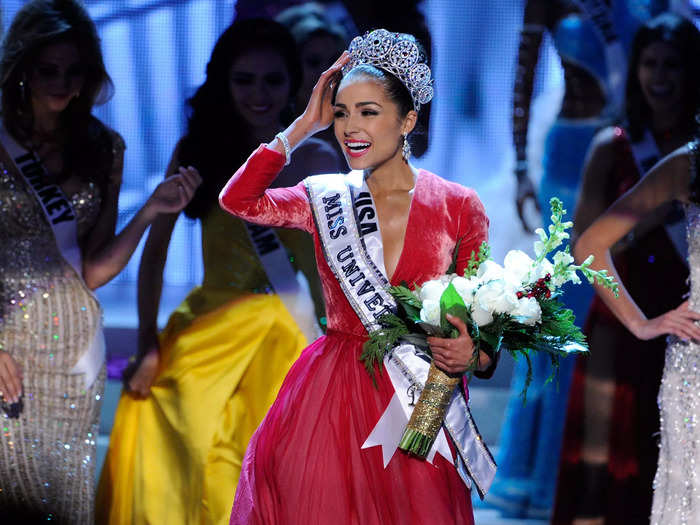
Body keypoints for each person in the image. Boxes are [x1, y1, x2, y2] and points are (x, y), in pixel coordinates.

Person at [221, 30, 496, 525]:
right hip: (332, 392)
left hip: (421, 391)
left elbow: (481, 328)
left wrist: (473, 354)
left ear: (407, 120)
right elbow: (238, 201)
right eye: (342, 112)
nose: (350, 126)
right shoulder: (321, 195)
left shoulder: (459, 205)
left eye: (368, 111)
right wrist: (302, 126)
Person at [95, 18, 341, 525]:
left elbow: (336, 269)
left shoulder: (320, 158)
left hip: (290, 334)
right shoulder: (199, 152)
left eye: (271, 80)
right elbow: (156, 252)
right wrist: (147, 342)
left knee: (273, 464)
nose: (258, 94)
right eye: (243, 80)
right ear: (222, 82)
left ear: (294, 83)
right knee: (160, 415)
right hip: (212, 325)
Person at [0, 1, 200, 523]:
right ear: (21, 68)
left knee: (63, 502)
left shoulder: (103, 147)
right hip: (5, 346)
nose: (63, 84)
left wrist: (150, 211)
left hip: (73, 353)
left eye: (75, 71)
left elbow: (91, 269)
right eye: (49, 70)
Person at [486, 1, 666, 518]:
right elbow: (523, 79)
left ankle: (600, 469)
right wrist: (520, 163)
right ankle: (538, 473)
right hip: (569, 151)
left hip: (627, 154)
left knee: (605, 313)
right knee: (559, 315)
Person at [553, 13, 700, 524]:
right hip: (624, 316)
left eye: (672, 65)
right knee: (607, 463)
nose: (660, 77)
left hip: (682, 311)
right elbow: (585, 242)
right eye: (650, 64)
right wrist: (652, 221)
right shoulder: (616, 148)